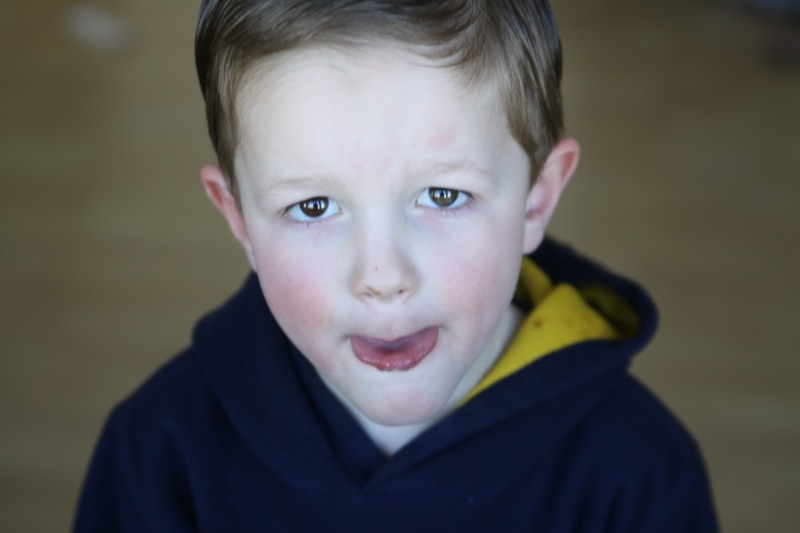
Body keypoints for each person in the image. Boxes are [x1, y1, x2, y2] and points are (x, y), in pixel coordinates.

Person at [73, 1, 719, 530]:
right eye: (314, 205)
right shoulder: (162, 453)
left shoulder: (639, 476)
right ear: (238, 217)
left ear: (536, 199)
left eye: (443, 196)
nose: (382, 274)